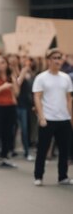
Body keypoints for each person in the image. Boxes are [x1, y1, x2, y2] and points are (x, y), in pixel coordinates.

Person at [32, 48, 73, 186]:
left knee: (64, 150)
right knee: (42, 149)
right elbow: (37, 98)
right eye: (54, 58)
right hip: (48, 118)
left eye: (59, 58)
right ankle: (38, 176)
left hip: (64, 119)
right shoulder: (41, 77)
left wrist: (70, 117)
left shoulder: (66, 77)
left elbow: (69, 99)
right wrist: (42, 116)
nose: (57, 60)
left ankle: (63, 176)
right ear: (49, 60)